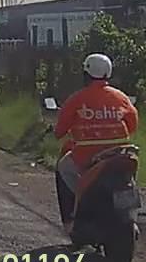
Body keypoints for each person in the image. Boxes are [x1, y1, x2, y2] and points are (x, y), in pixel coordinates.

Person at [53, 53, 139, 232]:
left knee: (63, 168)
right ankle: (131, 213)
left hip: (87, 156)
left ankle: (74, 215)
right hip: (121, 153)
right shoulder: (121, 97)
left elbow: (59, 131)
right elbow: (132, 125)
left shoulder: (77, 99)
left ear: (86, 74)